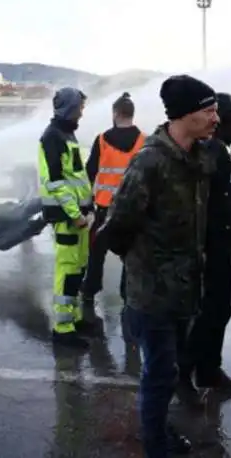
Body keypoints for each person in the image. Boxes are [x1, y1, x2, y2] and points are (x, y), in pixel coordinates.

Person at [100, 74, 218, 458]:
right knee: (158, 375)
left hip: (186, 289)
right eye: (209, 110)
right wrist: (145, 267)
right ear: (185, 115)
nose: (216, 118)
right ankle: (156, 448)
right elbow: (116, 226)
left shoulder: (200, 157)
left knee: (166, 374)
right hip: (153, 294)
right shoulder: (150, 161)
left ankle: (161, 435)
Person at [181, 92, 231, 398]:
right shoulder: (210, 152)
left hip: (222, 244)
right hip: (211, 245)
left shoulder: (219, 149)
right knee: (207, 312)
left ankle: (209, 370)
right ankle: (184, 376)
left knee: (219, 310)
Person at [38, 87, 94, 349]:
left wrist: (87, 208)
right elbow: (56, 183)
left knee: (78, 268)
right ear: (71, 108)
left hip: (78, 215)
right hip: (68, 218)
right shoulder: (53, 137)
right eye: (80, 107)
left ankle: (74, 319)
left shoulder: (66, 134)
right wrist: (75, 214)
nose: (82, 111)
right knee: (68, 269)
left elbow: (75, 178)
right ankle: (63, 329)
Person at [82, 92, 145, 303]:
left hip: (104, 207)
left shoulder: (102, 140)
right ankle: (127, 292)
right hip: (133, 209)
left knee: (96, 253)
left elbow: (89, 173)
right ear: (132, 114)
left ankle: (90, 290)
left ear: (115, 113)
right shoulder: (145, 141)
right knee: (131, 254)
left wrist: (86, 205)